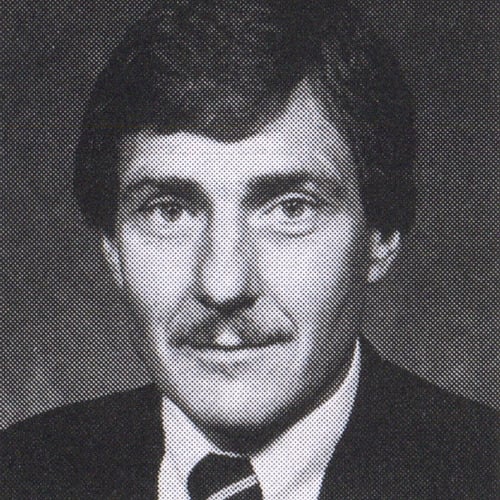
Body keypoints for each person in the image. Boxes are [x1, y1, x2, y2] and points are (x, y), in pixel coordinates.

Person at [1, 0, 496, 498]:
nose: (224, 284)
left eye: (291, 210)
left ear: (380, 237)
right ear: (112, 249)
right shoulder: (19, 473)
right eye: (169, 212)